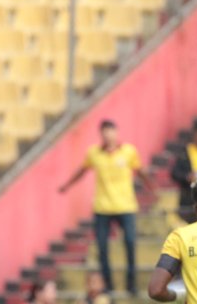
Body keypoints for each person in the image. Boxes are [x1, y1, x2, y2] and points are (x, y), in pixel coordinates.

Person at [58, 119, 154, 294]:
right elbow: (82, 170)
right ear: (101, 134)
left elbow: (140, 171)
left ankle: (131, 284)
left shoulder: (128, 152)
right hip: (102, 207)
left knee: (130, 243)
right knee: (102, 247)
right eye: (105, 132)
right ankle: (107, 285)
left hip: (126, 206)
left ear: (116, 133)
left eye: (111, 131)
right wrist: (67, 185)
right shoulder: (94, 153)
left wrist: (151, 187)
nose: (108, 135)